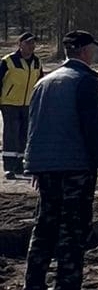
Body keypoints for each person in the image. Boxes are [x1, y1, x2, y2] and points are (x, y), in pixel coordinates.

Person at [22, 30, 98, 290]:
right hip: (75, 167)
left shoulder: (44, 82)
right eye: (92, 49)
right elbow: (93, 130)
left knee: (44, 228)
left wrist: (34, 165)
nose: (94, 54)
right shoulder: (85, 82)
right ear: (85, 51)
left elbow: (34, 127)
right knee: (73, 230)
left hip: (47, 168)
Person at [0, 31, 43, 179]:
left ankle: (20, 164)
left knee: (24, 134)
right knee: (11, 134)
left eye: (33, 43)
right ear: (20, 44)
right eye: (28, 43)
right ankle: (9, 167)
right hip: (9, 103)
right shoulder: (8, 61)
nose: (31, 46)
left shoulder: (37, 62)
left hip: (28, 104)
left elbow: (40, 83)